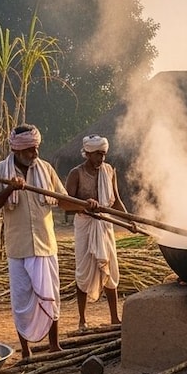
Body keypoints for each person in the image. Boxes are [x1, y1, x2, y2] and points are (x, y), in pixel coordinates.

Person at [0, 124, 96, 358]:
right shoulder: (0, 172)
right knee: (21, 299)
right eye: (29, 150)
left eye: (36, 149)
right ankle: (26, 351)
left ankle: (54, 345)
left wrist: (86, 205)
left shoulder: (45, 169)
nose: (34, 154)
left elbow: (63, 201)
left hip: (45, 246)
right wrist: (11, 189)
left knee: (50, 296)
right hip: (18, 248)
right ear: (17, 150)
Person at [65, 135, 127, 330]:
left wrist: (129, 220)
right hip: (85, 225)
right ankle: (82, 319)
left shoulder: (109, 172)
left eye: (104, 154)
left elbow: (115, 201)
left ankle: (114, 317)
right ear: (88, 153)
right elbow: (66, 204)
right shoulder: (76, 174)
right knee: (83, 272)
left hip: (105, 227)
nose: (102, 158)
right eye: (98, 154)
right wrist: (84, 206)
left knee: (110, 267)